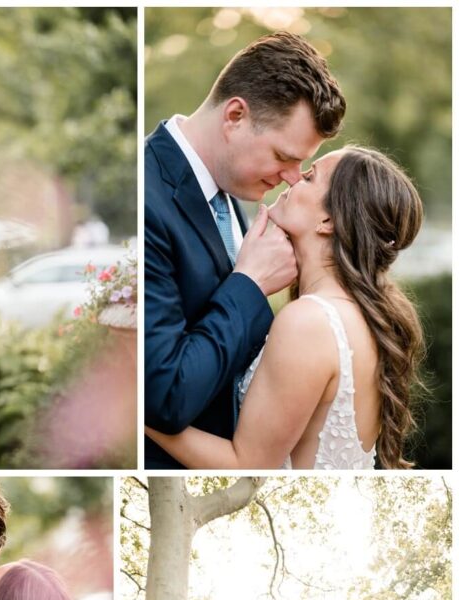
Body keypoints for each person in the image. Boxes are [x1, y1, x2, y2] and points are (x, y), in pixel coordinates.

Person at [146, 147, 424, 469]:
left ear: (328, 220)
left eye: (309, 177)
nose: (292, 177)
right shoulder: (357, 316)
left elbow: (247, 465)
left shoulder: (309, 323)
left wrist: (144, 405)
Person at [144, 32, 345, 468]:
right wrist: (249, 284)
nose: (293, 178)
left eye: (303, 165)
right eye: (283, 156)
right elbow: (165, 395)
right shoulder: (143, 198)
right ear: (235, 115)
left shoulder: (234, 193)